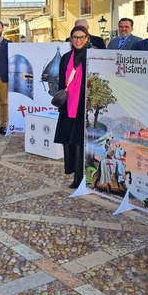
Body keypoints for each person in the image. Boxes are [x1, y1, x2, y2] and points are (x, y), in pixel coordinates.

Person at [54, 25, 90, 188]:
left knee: (80, 143)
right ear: (70, 39)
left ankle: (81, 177)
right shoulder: (66, 58)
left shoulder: (92, 57)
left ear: (87, 39)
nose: (78, 40)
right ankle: (75, 175)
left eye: (82, 37)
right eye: (75, 37)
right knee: (69, 142)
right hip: (68, 106)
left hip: (83, 107)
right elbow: (62, 82)